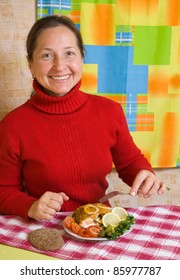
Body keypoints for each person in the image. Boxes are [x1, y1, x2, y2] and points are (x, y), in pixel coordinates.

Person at [0, 15, 166, 221]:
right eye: (46, 55)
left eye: (69, 53)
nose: (59, 66)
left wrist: (144, 174)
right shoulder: (13, 125)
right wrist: (31, 206)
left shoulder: (109, 111)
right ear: (31, 65)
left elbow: (130, 163)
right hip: (46, 228)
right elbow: (4, 191)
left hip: (99, 225)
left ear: (81, 57)